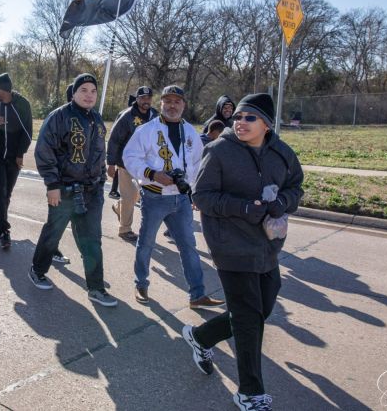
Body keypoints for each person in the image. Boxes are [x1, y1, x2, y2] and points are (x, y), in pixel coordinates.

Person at [184, 93, 303, 411]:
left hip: (266, 245)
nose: (240, 122)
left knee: (261, 309)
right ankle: (250, 393)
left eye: (249, 117)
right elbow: (202, 196)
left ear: (266, 124)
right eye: (237, 117)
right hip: (230, 244)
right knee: (249, 318)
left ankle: (201, 337)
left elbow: (296, 185)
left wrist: (283, 203)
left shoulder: (281, 153)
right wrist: (242, 208)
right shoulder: (219, 150)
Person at [123, 85, 225, 309]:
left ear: (183, 105)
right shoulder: (146, 131)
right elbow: (130, 157)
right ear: (161, 104)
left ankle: (197, 295)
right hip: (155, 197)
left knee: (189, 246)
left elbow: (199, 165)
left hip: (181, 199)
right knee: (146, 243)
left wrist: (195, 191)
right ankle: (141, 284)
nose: (172, 105)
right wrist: (152, 174)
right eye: (167, 101)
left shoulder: (190, 132)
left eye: (177, 102)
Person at [30, 73, 117, 307]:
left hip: (91, 192)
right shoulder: (59, 117)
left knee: (92, 239)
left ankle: (95, 287)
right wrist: (52, 185)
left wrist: (100, 182)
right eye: (84, 90)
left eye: (93, 91)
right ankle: (37, 270)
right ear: (75, 92)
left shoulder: (97, 120)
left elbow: (100, 155)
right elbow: (44, 151)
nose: (89, 95)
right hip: (64, 189)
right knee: (53, 233)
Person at [0, 72, 32, 249]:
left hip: (13, 157)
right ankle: (4, 229)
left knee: (6, 193)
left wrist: (20, 154)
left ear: (2, 89)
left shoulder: (22, 104)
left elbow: (27, 132)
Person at [107, 86, 158, 242]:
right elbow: (114, 139)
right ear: (137, 99)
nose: (146, 101)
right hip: (126, 163)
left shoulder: (155, 115)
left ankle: (118, 208)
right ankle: (125, 230)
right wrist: (111, 163)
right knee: (129, 197)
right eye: (142, 98)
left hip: (146, 164)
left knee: (135, 195)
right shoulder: (127, 116)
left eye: (148, 98)